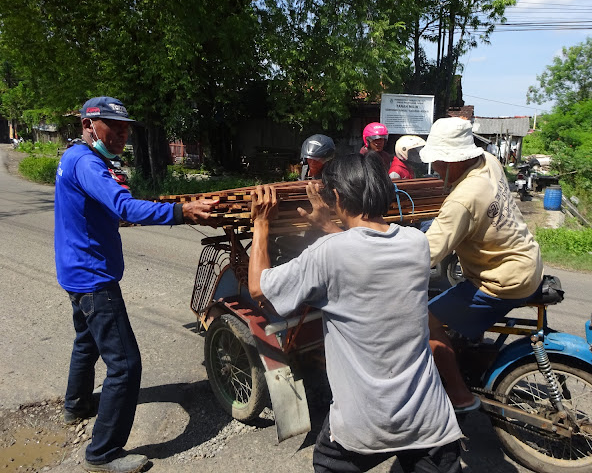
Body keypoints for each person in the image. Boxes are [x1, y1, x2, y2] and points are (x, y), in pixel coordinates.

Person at [248, 153, 462, 473]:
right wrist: (332, 227)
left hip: (365, 422)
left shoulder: (328, 253)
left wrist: (261, 223)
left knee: (328, 462)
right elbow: (365, 256)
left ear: (335, 196)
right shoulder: (416, 243)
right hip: (429, 419)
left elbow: (260, 290)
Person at [55, 96, 217, 473]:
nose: (122, 135)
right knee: (125, 365)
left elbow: (107, 209)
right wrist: (181, 211)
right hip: (94, 278)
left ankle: (75, 405)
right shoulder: (88, 164)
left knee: (87, 340)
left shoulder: (73, 158)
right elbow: (125, 207)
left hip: (74, 271)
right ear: (88, 125)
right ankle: (103, 453)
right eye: (114, 127)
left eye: (125, 128)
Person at [419, 117, 544, 412]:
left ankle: (460, 395)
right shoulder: (487, 160)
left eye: (437, 162)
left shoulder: (462, 200)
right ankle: (467, 346)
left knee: (424, 319)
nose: (434, 169)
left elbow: (425, 255)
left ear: (452, 161)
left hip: (503, 280)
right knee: (454, 295)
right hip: (528, 261)